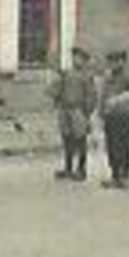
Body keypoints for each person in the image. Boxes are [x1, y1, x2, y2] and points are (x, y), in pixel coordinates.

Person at [99, 50, 129, 189]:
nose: (113, 64)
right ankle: (114, 175)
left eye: (116, 61)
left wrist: (119, 100)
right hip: (110, 117)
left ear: (122, 62)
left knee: (124, 147)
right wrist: (101, 113)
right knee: (111, 147)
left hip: (124, 117)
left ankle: (125, 176)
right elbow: (103, 95)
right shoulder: (108, 78)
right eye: (111, 61)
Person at [48, 47, 98, 182]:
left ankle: (81, 169)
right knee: (67, 139)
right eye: (74, 57)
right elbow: (56, 90)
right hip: (65, 109)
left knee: (80, 140)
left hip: (78, 110)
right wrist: (57, 101)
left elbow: (92, 96)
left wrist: (86, 113)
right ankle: (68, 168)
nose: (76, 60)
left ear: (85, 61)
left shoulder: (87, 76)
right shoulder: (66, 74)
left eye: (80, 58)